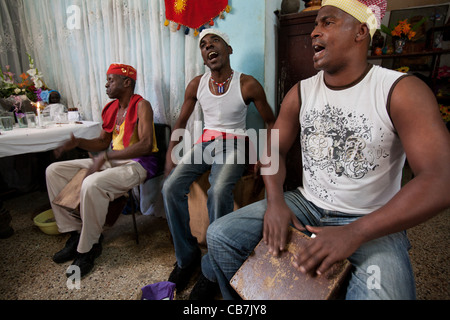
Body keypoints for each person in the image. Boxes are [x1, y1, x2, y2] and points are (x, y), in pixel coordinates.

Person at [206, 0, 450, 300]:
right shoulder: (301, 92)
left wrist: (355, 233)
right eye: (314, 25)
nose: (314, 33)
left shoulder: (400, 90)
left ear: (360, 32)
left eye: (327, 23)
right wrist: (275, 202)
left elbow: (440, 179)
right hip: (307, 204)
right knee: (220, 236)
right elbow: (273, 148)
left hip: (371, 219)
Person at [162, 29, 275, 299]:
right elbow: (180, 122)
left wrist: (265, 155)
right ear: (202, 56)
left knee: (220, 188)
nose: (209, 46)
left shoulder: (247, 84)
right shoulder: (197, 84)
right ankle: (187, 258)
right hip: (204, 144)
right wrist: (170, 152)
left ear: (229, 49)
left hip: (235, 143)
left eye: (215, 41)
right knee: (170, 188)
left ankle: (213, 268)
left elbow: (271, 121)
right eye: (203, 45)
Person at [46, 63, 159, 278]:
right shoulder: (110, 109)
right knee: (54, 171)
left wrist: (106, 157)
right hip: (113, 161)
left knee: (92, 183)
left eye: (110, 80)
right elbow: (101, 142)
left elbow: (145, 145)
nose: (106, 84)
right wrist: (78, 141)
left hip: (138, 164)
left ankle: (87, 249)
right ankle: (77, 233)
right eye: (106, 80)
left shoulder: (143, 105)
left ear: (127, 82)